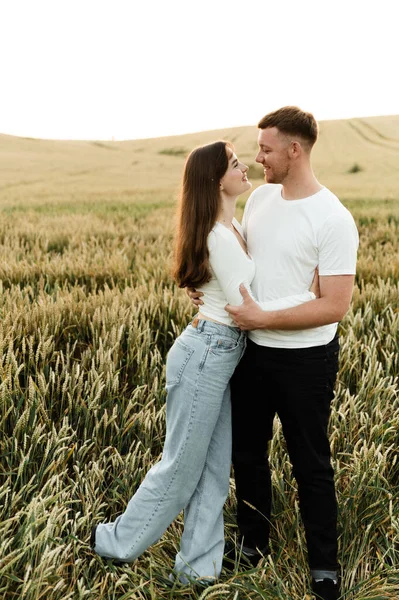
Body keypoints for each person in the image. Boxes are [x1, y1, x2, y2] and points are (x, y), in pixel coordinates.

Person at [91, 140, 318, 585]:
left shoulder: (227, 227)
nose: (246, 166)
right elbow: (246, 309)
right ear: (217, 180)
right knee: (180, 468)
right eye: (236, 163)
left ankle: (196, 571)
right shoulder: (219, 235)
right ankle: (110, 544)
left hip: (219, 353)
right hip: (208, 353)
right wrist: (311, 296)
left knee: (214, 472)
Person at [189, 107, 359, 600]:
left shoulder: (332, 218)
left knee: (311, 463)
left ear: (294, 151)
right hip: (252, 353)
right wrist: (207, 291)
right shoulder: (260, 199)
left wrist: (266, 317)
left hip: (306, 360)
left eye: (265, 149)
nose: (257, 158)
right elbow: (235, 264)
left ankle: (324, 566)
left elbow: (335, 305)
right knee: (249, 454)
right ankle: (253, 545)